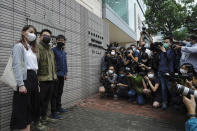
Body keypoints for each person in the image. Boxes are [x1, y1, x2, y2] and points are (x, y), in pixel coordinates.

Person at [10, 25, 40, 131]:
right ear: (23, 33)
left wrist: (37, 84)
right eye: (31, 31)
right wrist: (21, 84)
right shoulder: (19, 46)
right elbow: (16, 66)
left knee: (30, 109)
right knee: (22, 109)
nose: (33, 35)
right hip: (24, 78)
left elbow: (35, 68)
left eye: (35, 33)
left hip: (33, 78)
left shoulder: (32, 49)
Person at [37, 29, 57, 123]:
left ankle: (44, 117)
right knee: (40, 102)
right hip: (41, 80)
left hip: (51, 79)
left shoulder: (50, 49)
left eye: (49, 36)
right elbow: (35, 65)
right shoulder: (37, 48)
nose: (47, 37)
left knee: (46, 101)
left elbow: (53, 64)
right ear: (40, 37)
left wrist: (55, 76)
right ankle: (38, 121)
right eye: (45, 35)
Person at [50, 35, 68, 119]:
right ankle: (53, 112)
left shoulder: (63, 51)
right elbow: (51, 63)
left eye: (63, 40)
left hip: (62, 75)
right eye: (59, 40)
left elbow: (65, 63)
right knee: (54, 94)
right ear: (56, 41)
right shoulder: (53, 50)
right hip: (56, 76)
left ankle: (59, 107)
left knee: (60, 92)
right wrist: (54, 74)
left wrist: (65, 74)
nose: (61, 41)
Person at [157, 37, 175, 110]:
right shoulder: (161, 52)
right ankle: (165, 102)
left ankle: (174, 103)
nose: (165, 43)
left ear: (170, 43)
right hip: (161, 72)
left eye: (166, 42)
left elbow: (169, 59)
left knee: (170, 88)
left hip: (168, 73)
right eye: (164, 42)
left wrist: (164, 52)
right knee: (163, 88)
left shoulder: (172, 51)